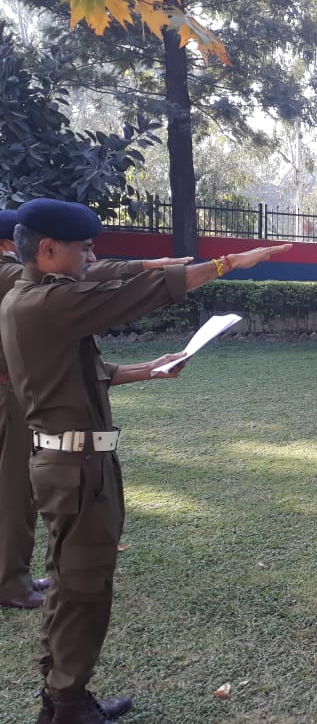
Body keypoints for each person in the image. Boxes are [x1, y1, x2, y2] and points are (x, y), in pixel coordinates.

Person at [0, 198, 289, 723]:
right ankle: (65, 704)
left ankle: (63, 696)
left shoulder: (34, 296)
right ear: (47, 250)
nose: (91, 257)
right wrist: (228, 263)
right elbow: (137, 294)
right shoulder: (45, 303)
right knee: (83, 589)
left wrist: (146, 370)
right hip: (76, 469)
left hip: (76, 464)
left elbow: (84, 370)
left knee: (73, 585)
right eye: (83, 248)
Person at [0, 212, 193, 613]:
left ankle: (15, 575)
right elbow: (87, 279)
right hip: (15, 394)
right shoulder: (14, 279)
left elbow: (87, 271)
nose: (89, 256)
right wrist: (152, 270)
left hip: (20, 387)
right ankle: (10, 581)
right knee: (14, 490)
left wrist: (140, 266)